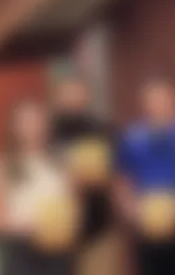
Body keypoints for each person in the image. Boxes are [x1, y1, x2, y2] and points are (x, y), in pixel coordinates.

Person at [115, 78, 175, 275]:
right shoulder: (133, 137)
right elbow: (122, 178)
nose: (159, 107)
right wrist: (130, 208)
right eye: (153, 102)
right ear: (145, 106)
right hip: (146, 223)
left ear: (174, 102)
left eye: (163, 101)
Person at [0, 99, 75, 275]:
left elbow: (70, 204)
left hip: (58, 248)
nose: (33, 127)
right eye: (26, 121)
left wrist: (66, 221)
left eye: (38, 120)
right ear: (13, 127)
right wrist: (27, 227)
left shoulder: (62, 161)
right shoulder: (0, 166)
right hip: (20, 250)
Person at [50, 77, 115, 272]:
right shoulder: (49, 130)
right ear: (58, 98)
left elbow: (114, 171)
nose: (73, 101)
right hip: (59, 223)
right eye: (68, 95)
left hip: (95, 222)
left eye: (78, 95)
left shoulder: (98, 128)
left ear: (86, 98)